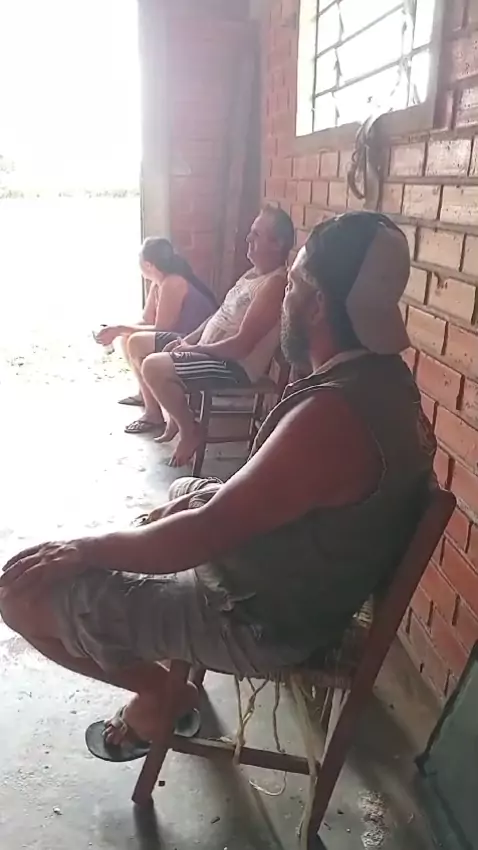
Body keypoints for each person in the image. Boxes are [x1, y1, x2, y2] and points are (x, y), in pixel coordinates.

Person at [0, 211, 436, 763]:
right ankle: (163, 675)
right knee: (186, 489)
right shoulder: (386, 381)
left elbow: (201, 536)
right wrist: (192, 508)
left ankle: (162, 696)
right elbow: (250, 507)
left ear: (318, 305)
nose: (284, 298)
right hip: (301, 584)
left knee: (18, 595)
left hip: (256, 620)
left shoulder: (332, 416)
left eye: (292, 286)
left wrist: (85, 549)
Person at [125, 206, 295, 464]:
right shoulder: (252, 274)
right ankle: (163, 414)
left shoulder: (275, 284)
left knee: (154, 367)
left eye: (257, 234)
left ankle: (189, 429)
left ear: (277, 244)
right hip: (211, 349)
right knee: (137, 343)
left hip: (234, 365)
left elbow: (241, 346)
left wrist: (194, 350)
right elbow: (217, 317)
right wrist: (188, 340)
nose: (248, 238)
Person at [95, 238, 217, 432]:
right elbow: (147, 322)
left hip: (192, 340)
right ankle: (145, 395)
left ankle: (153, 415)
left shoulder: (173, 282)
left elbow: (162, 329)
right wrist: (117, 329)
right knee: (127, 338)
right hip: (177, 335)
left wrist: (120, 328)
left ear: (148, 264)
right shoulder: (158, 282)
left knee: (135, 341)